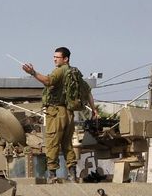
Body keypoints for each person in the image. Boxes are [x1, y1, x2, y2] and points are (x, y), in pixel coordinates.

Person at [21, 47, 98, 182]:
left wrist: (32, 72)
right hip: (69, 114)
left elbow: (48, 81)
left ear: (65, 59)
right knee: (67, 144)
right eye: (54, 56)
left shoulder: (60, 70)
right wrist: (94, 110)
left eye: (57, 57)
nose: (54, 59)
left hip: (56, 113)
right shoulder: (74, 73)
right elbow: (88, 92)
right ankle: (72, 173)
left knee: (52, 142)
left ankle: (52, 175)